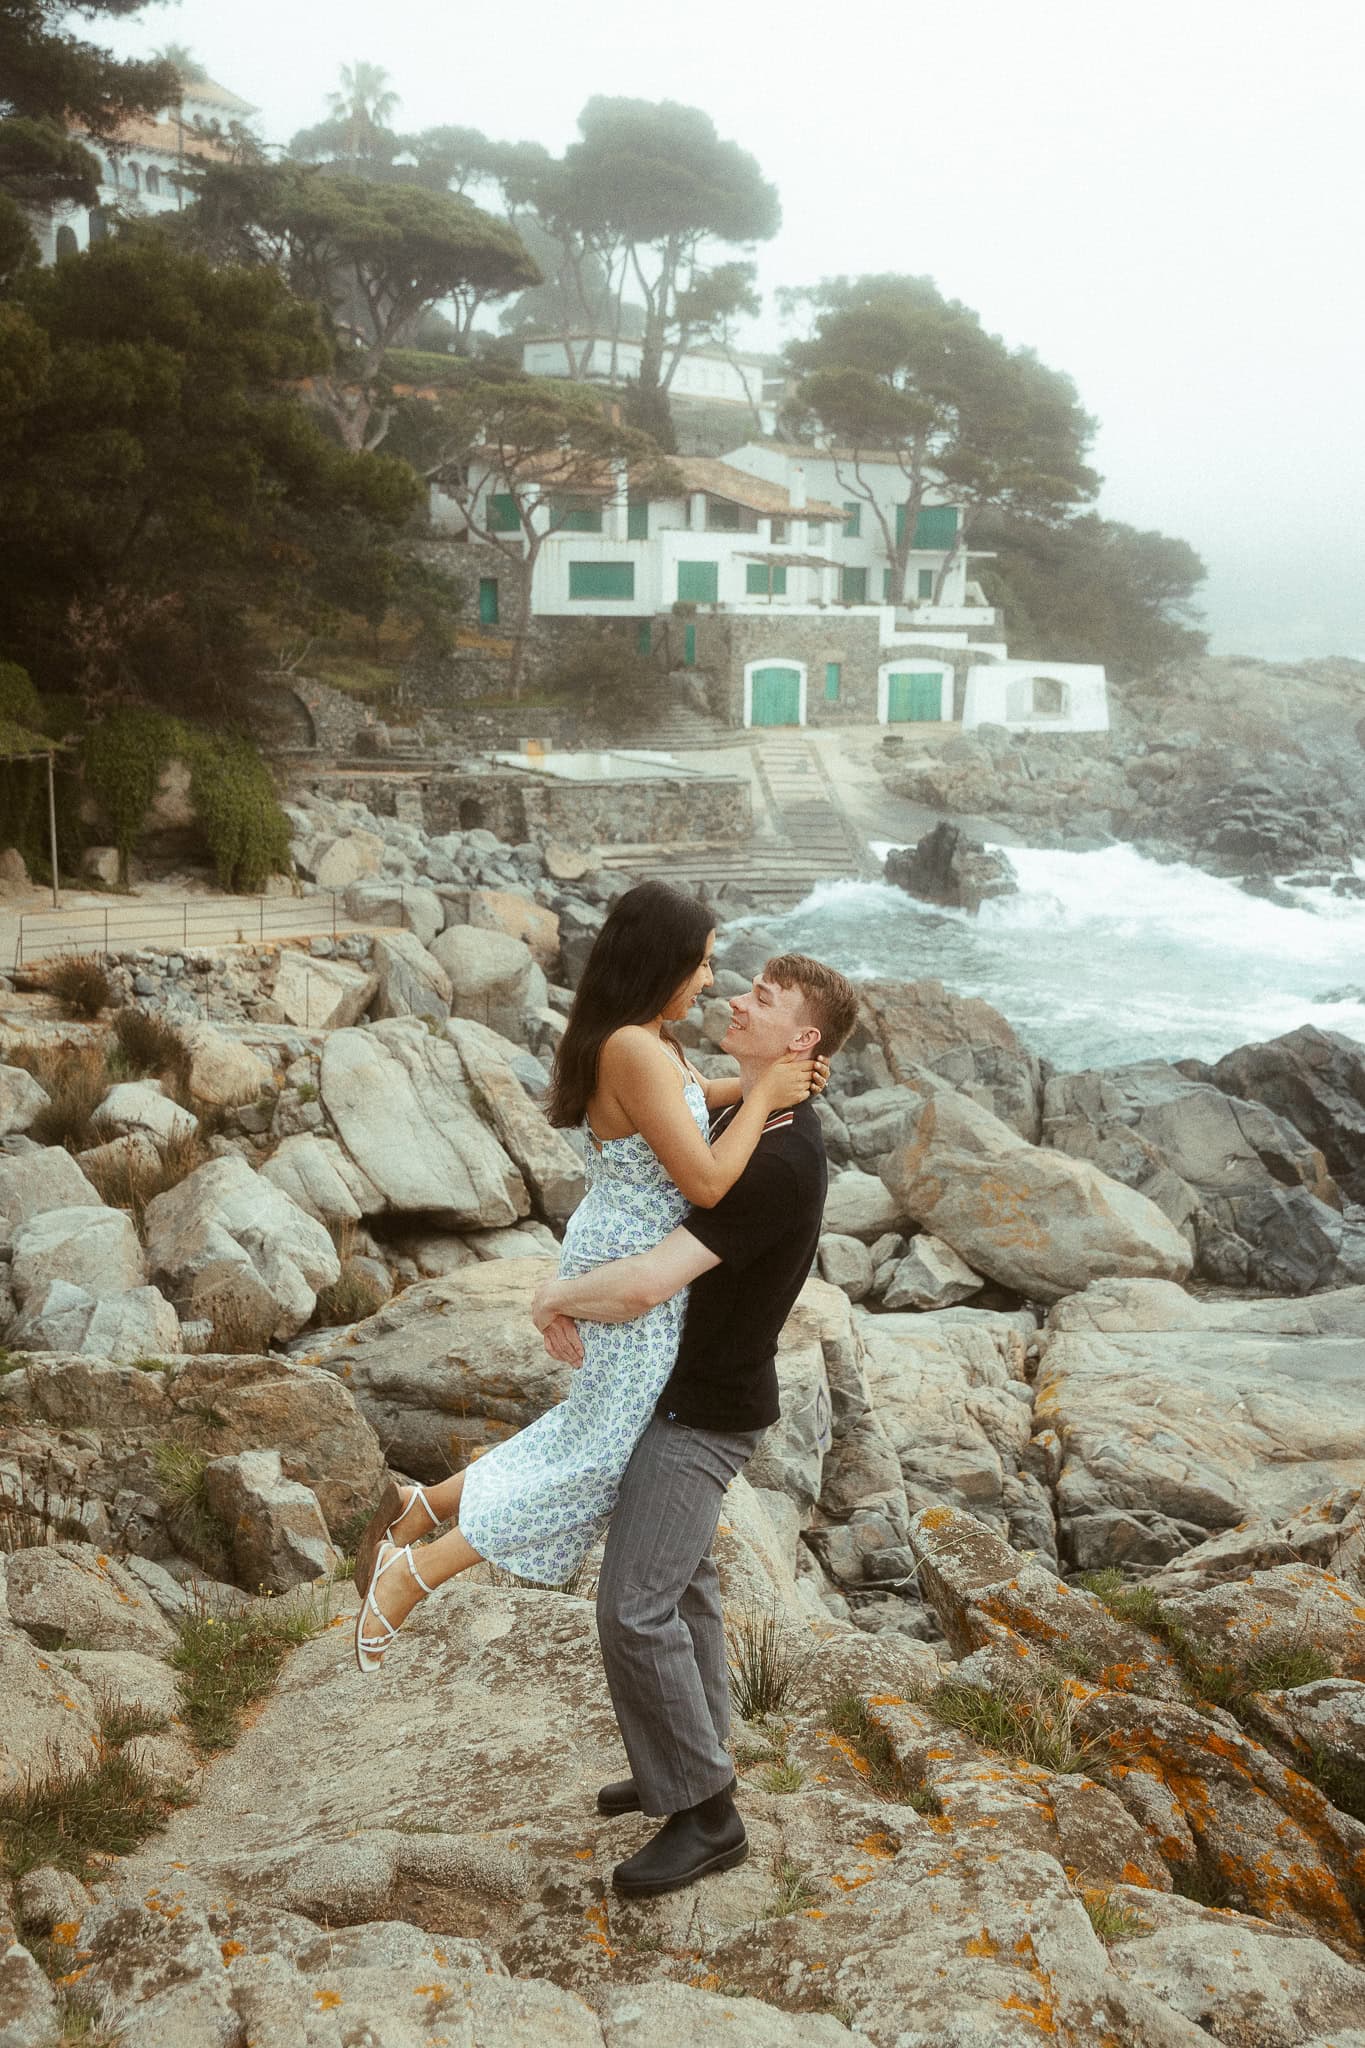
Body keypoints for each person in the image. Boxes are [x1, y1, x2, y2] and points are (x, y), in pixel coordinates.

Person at [350, 881, 822, 1674]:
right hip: (629, 1267)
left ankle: (419, 1507)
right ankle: (415, 1575)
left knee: (587, 1431)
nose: (710, 982)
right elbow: (705, 1183)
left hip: (621, 1246)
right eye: (702, 965)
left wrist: (765, 1082)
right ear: (661, 961)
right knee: (604, 1457)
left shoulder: (643, 1037)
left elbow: (694, 1099)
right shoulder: (633, 1048)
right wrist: (770, 1092)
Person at [530, 951, 859, 1898]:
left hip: (701, 1412)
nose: (737, 999)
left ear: (799, 1041)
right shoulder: (753, 1115)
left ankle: (708, 1819)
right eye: (742, 983)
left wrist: (554, 1296)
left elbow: (642, 1286)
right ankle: (688, 1754)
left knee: (631, 1609)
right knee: (684, 1589)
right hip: (683, 1391)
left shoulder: (780, 1158)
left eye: (762, 998)